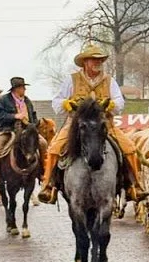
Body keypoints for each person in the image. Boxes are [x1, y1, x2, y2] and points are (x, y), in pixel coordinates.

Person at [39, 44, 141, 204]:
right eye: (94, 59)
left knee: (129, 148)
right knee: (54, 149)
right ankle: (48, 186)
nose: (97, 62)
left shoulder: (109, 80)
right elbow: (56, 102)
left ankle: (135, 186)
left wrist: (112, 105)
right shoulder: (71, 80)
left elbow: (119, 101)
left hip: (104, 124)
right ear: (85, 62)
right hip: (76, 125)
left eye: (100, 59)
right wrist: (66, 103)